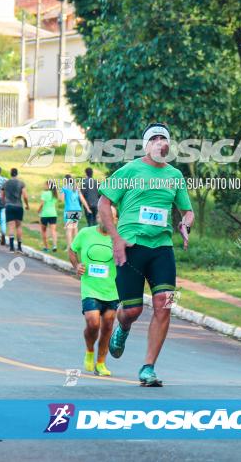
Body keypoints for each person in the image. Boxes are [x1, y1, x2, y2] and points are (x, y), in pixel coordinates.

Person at [98, 123, 194, 387]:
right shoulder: (130, 170)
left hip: (162, 247)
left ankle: (148, 368)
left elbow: (187, 210)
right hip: (131, 246)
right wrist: (116, 238)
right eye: (155, 138)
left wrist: (185, 224)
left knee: (164, 302)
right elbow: (103, 202)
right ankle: (123, 327)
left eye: (164, 138)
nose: (160, 142)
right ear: (146, 145)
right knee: (133, 310)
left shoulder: (175, 175)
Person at [69, 206, 120, 377]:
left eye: (110, 216)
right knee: (93, 323)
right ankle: (90, 350)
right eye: (102, 215)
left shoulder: (119, 237)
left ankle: (101, 363)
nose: (105, 219)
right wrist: (77, 265)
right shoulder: (85, 233)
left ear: (116, 220)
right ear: (98, 217)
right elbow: (72, 249)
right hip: (90, 288)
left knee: (107, 327)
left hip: (112, 290)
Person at [3, 168, 30, 254]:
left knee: (11, 226)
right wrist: (27, 205)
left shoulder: (6, 183)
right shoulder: (21, 183)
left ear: (10, 174)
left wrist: (4, 203)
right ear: (17, 174)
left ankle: (11, 247)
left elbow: (2, 195)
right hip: (18, 206)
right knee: (18, 226)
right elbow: (25, 196)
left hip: (9, 206)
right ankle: (19, 247)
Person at [60, 174, 86, 251]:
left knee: (69, 229)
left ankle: (69, 247)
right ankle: (76, 246)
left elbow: (61, 199)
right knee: (75, 228)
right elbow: (81, 198)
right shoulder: (76, 187)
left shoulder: (64, 188)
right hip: (77, 209)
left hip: (69, 209)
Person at [38, 180, 59, 252]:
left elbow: (42, 204)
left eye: (45, 185)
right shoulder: (55, 194)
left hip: (45, 214)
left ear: (48, 186)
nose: (44, 186)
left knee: (43, 231)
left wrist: (38, 210)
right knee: (53, 230)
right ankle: (54, 245)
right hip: (53, 214)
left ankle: (46, 247)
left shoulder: (45, 193)